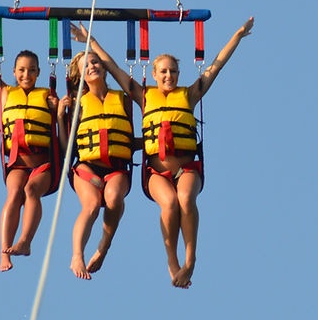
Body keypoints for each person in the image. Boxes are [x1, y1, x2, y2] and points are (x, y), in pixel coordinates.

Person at [71, 16, 254, 288]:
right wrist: (91, 41)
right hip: (156, 170)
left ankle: (190, 260)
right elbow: (114, 67)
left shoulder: (189, 95)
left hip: (186, 168)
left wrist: (236, 36)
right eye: (164, 72)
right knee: (169, 203)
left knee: (185, 198)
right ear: (154, 75)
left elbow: (215, 67)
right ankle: (173, 262)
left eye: (173, 72)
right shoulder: (143, 96)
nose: (169, 76)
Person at [0, 0, 60, 272]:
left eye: (32, 70)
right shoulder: (4, 93)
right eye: (21, 70)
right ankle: (4, 253)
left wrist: (59, 110)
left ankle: (25, 241)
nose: (26, 74)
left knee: (31, 191)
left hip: (43, 164)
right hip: (17, 162)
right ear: (13, 72)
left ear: (39, 73)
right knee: (14, 194)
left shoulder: (49, 96)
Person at [60, 49, 135, 280]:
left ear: (103, 67)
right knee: (91, 205)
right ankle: (77, 256)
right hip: (87, 168)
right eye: (86, 65)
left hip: (116, 167)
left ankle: (103, 246)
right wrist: (59, 118)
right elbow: (66, 148)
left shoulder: (122, 99)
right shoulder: (76, 104)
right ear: (79, 75)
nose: (92, 66)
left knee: (113, 198)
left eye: (95, 62)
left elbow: (129, 139)